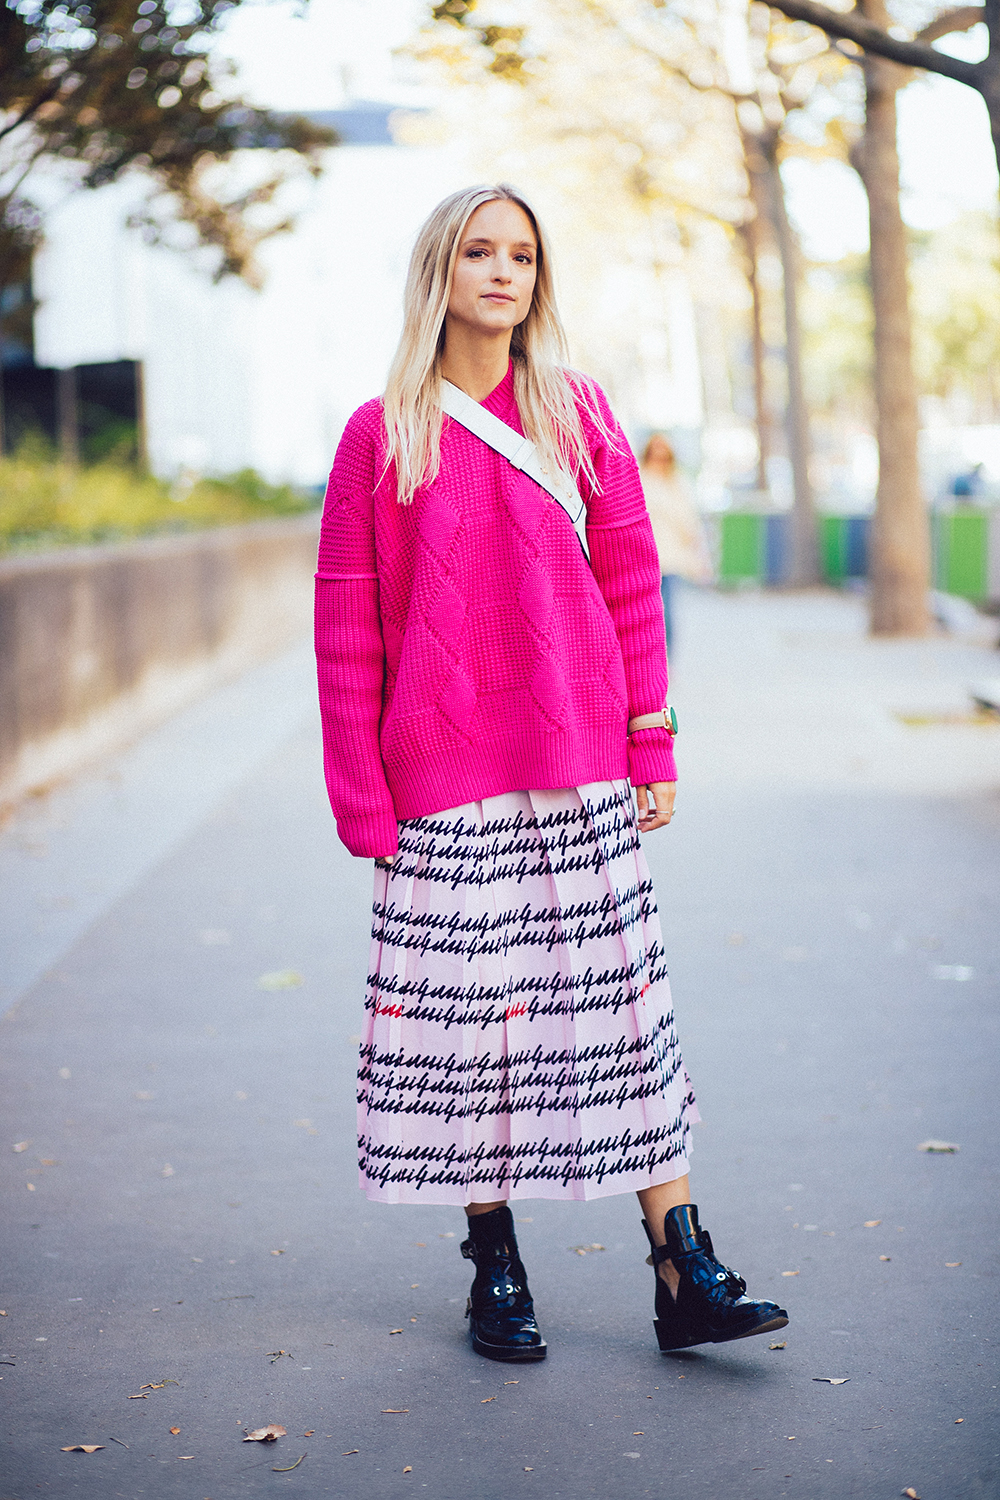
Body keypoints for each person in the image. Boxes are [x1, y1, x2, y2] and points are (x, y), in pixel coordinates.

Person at [314, 184, 787, 1363]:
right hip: (442, 780)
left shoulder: (579, 413)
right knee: (473, 1026)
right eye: (479, 251)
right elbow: (348, 630)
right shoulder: (385, 432)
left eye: (521, 254)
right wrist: (360, 797)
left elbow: (632, 588)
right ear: (440, 270)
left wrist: (653, 739)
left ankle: (684, 1264)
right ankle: (495, 1265)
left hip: (578, 761)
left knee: (620, 1016)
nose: (502, 272)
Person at [639, 433, 712, 656]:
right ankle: (646, 656)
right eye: (655, 455)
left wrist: (700, 557)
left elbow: (690, 521)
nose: (659, 460)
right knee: (644, 612)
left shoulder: (678, 482)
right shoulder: (640, 478)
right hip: (644, 556)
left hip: (670, 559)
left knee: (666, 611)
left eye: (664, 456)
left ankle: (665, 658)